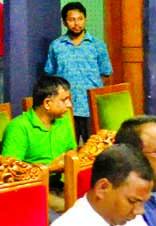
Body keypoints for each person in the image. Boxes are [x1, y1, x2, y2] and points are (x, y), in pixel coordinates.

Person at [1, 75, 77, 211]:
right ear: (47, 103)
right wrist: (50, 168)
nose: (69, 105)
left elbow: (72, 149)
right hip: (33, 190)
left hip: (63, 184)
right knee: (72, 211)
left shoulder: (63, 120)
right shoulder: (19, 127)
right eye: (64, 100)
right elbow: (10, 172)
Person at [45, 1, 113, 144]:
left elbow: (106, 75)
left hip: (90, 108)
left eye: (80, 19)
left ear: (85, 19)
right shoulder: (56, 46)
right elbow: (51, 75)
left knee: (94, 150)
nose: (76, 23)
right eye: (71, 20)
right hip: (65, 108)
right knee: (68, 152)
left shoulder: (97, 45)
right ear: (64, 22)